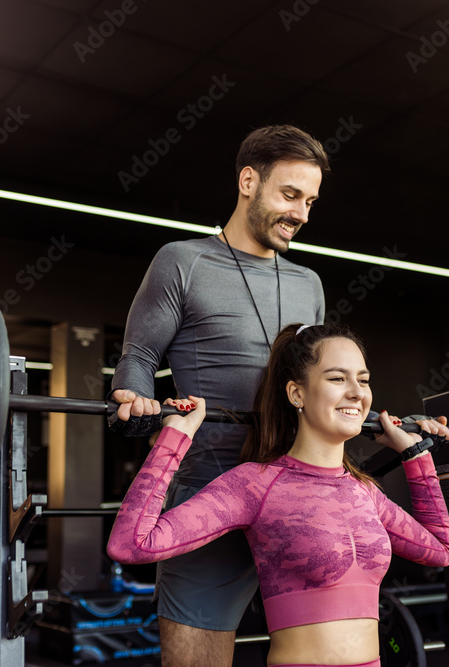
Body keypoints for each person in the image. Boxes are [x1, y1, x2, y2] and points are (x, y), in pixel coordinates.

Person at [108, 125, 329, 665]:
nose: (301, 213)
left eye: (311, 201)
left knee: (319, 655)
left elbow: (318, 387)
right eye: (290, 194)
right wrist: (135, 401)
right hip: (210, 494)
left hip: (296, 495)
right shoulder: (181, 261)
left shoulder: (309, 283)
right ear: (248, 181)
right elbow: (138, 358)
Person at [108, 323, 449, 667]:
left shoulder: (363, 491)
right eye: (337, 378)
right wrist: (176, 438)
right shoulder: (255, 485)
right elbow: (131, 544)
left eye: (362, 380)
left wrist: (417, 456)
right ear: (296, 394)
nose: (357, 393)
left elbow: (441, 550)